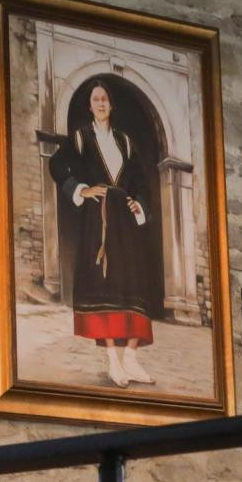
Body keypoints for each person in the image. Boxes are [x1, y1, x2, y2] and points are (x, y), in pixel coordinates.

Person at [47, 82, 157, 388]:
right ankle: (112, 360)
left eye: (104, 99)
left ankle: (131, 359)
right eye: (95, 99)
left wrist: (139, 204)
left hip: (127, 223)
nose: (100, 103)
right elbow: (57, 164)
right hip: (99, 221)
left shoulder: (125, 142)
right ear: (90, 105)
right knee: (105, 285)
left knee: (134, 284)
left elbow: (141, 182)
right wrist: (81, 189)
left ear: (111, 104)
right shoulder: (81, 138)